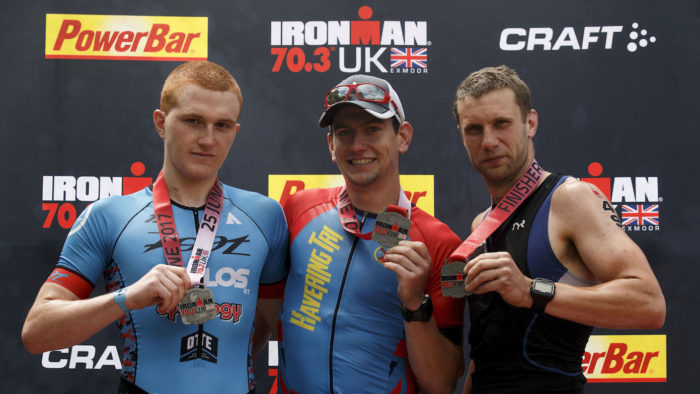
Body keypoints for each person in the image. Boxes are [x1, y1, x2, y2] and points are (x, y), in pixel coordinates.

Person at [22, 61, 288, 393]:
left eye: (222, 125)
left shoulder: (266, 216)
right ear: (161, 123)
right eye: (193, 121)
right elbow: (36, 333)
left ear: (234, 132)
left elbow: (271, 321)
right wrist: (126, 298)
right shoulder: (109, 216)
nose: (208, 139)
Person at [451, 65, 666, 393]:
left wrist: (530, 291)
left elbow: (649, 304)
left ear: (530, 123)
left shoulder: (570, 199)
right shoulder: (481, 225)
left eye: (501, 124)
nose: (489, 141)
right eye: (474, 129)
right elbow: (485, 353)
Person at [277, 74, 465, 393]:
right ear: (331, 145)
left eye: (372, 130)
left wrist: (414, 303)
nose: (357, 145)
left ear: (402, 137)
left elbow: (443, 383)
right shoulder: (297, 208)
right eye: (344, 133)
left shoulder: (443, 245)